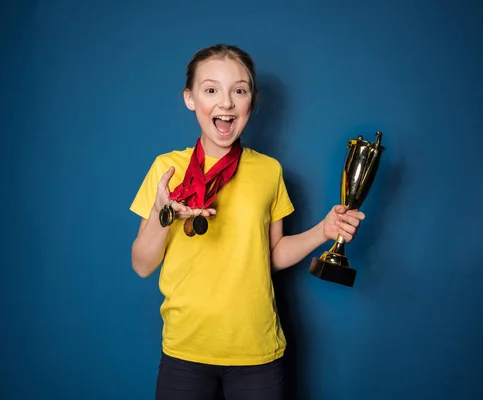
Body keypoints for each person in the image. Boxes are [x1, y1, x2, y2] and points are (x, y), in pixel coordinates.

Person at [129, 43, 365, 400]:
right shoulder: (167, 169)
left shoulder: (269, 171)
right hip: (185, 348)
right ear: (190, 98)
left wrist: (323, 231)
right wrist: (164, 214)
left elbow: (271, 255)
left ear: (251, 102)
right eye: (211, 90)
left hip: (256, 349)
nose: (225, 103)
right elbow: (142, 265)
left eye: (238, 91)